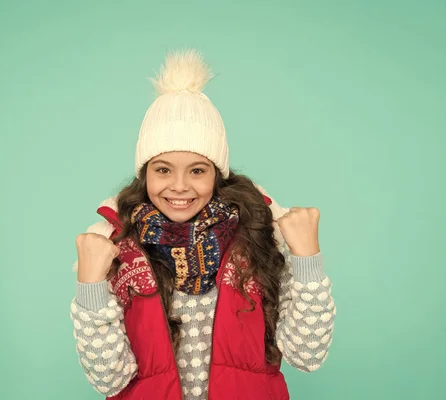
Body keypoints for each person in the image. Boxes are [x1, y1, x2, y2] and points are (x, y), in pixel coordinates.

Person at [69, 49, 337, 400]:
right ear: (144, 174)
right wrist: (90, 286)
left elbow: (307, 354)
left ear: (217, 175)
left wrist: (307, 261)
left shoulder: (260, 239)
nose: (180, 186)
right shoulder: (115, 249)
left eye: (197, 170)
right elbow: (109, 379)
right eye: (163, 169)